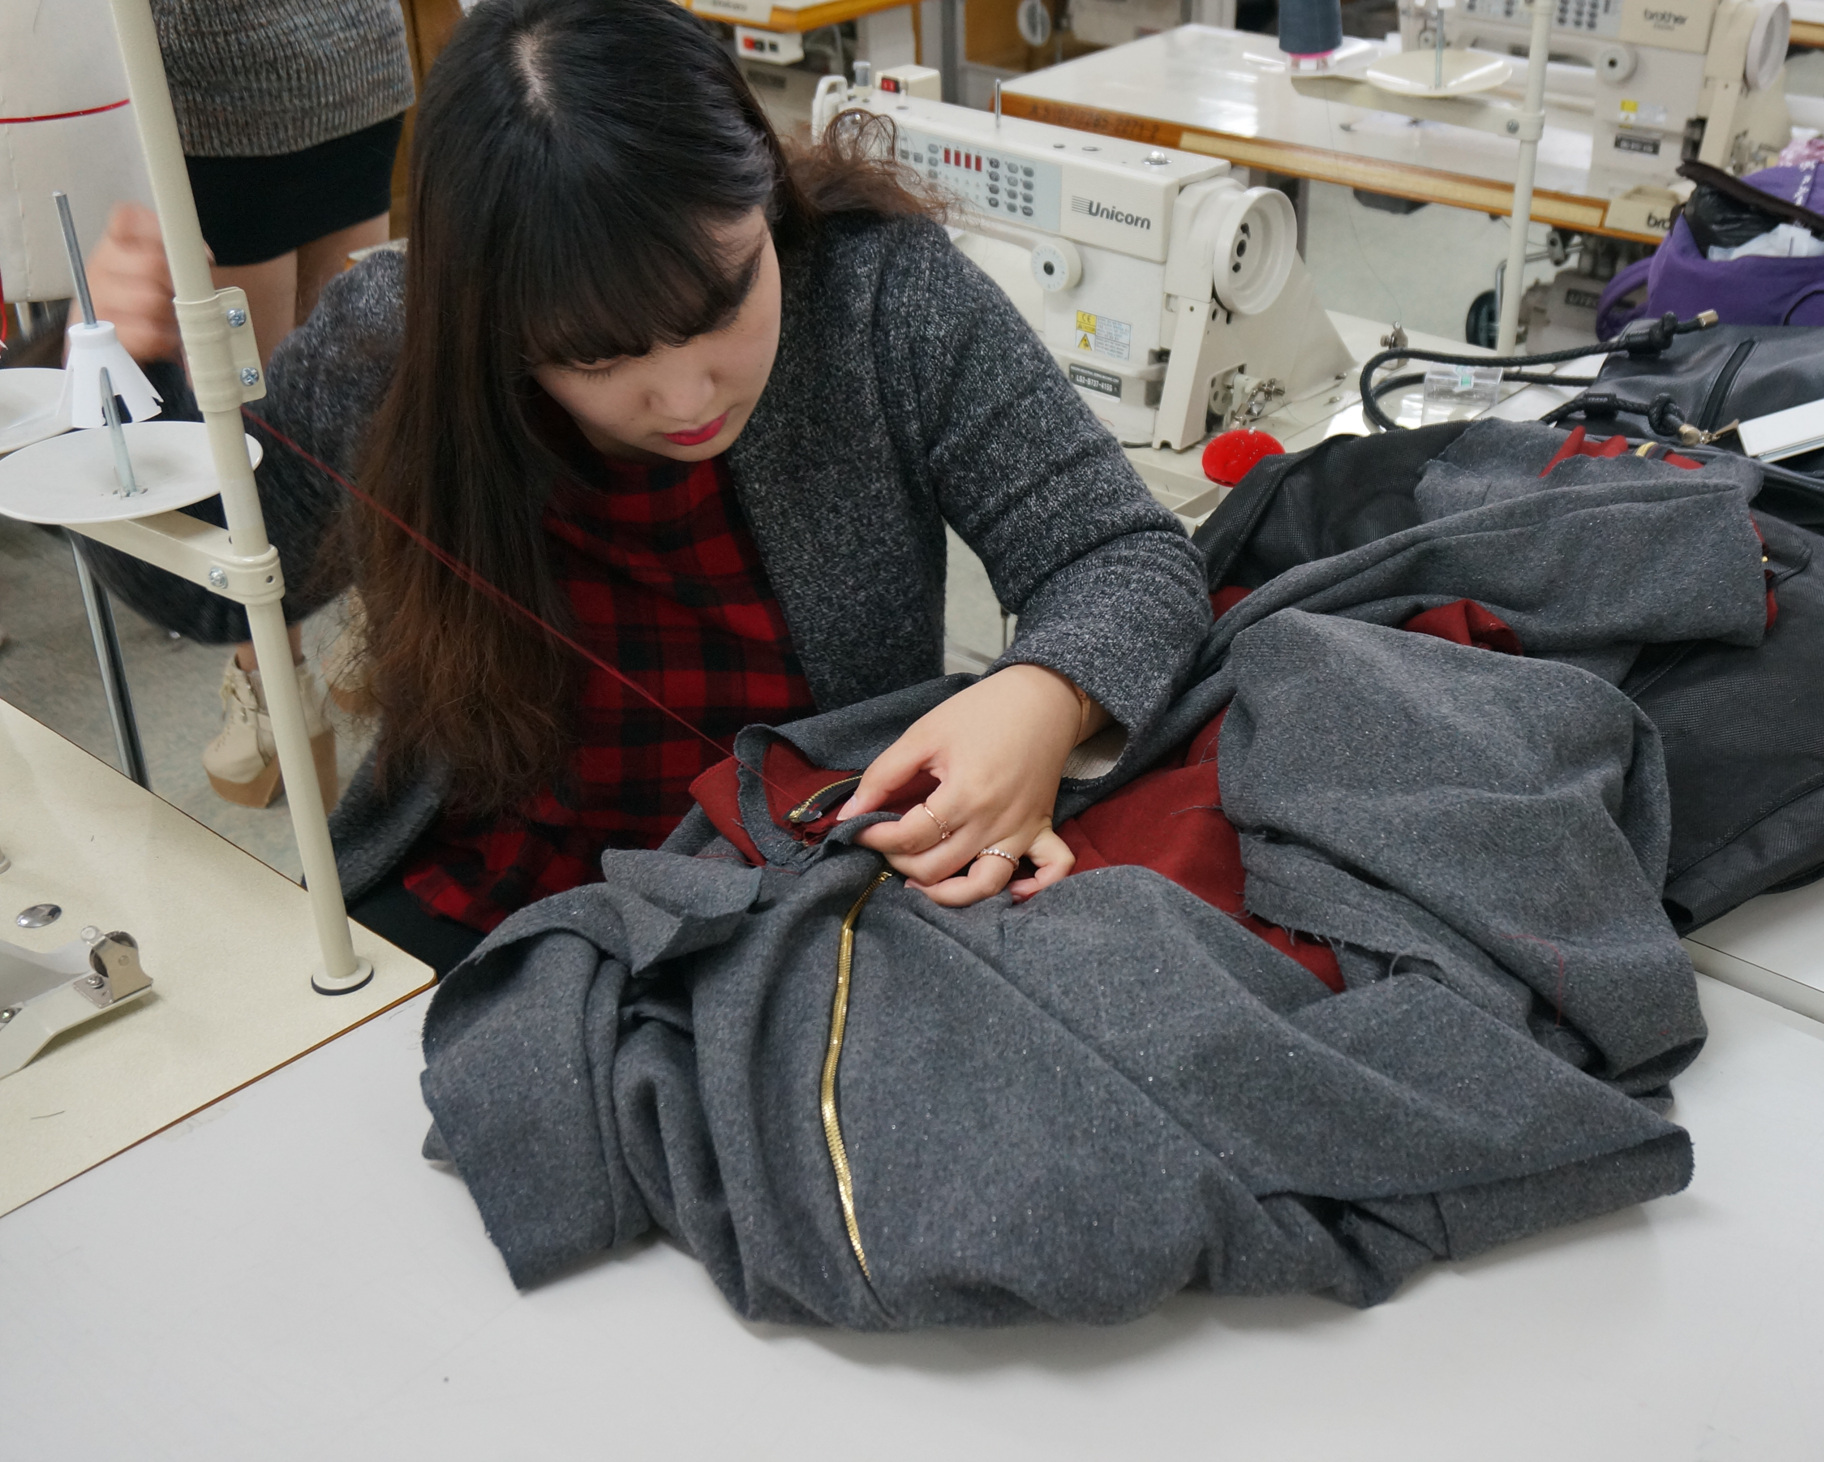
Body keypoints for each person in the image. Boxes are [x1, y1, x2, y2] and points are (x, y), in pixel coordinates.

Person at [85, 0, 1208, 974]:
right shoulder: (394, 341)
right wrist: (121, 400)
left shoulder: (884, 298)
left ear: (763, 192)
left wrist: (1043, 697)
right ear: (490, 314)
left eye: (722, 304)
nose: (684, 398)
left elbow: (1121, 553)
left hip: (799, 885)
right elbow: (207, 593)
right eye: (595, 357)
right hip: (489, 893)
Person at [91, 1, 417, 809]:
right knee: (349, 387)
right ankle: (373, 632)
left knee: (251, 440)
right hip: (358, 53)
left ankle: (272, 699)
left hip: (220, 77)